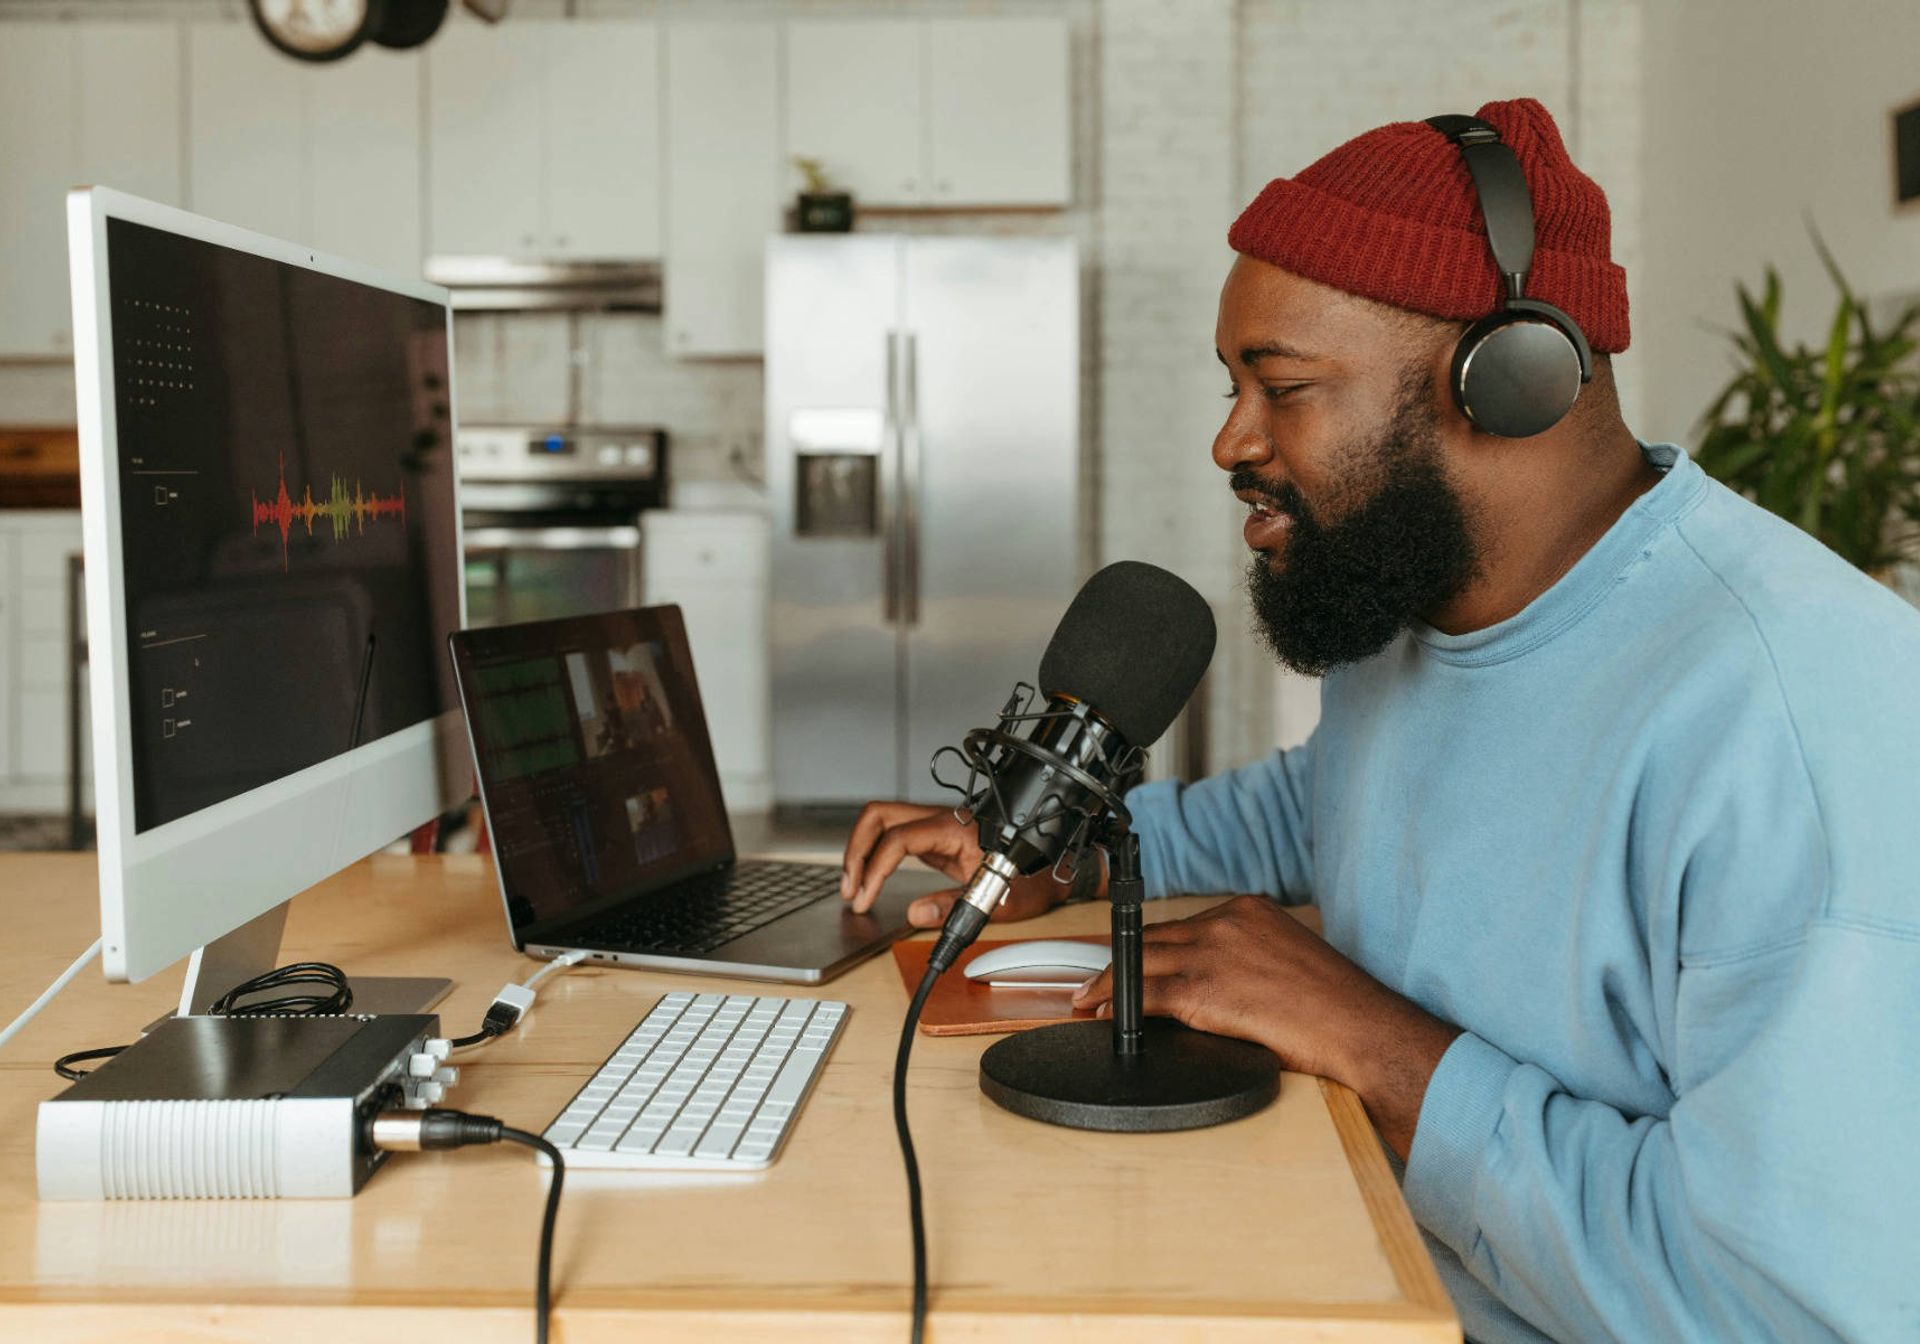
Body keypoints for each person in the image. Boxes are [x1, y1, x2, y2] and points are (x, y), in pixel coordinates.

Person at [838, 98, 1920, 1343]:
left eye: (1282, 387)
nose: (1229, 438)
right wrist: (1071, 849)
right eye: (1233, 383)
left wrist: (1375, 1046)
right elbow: (1329, 797)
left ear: (1511, 381)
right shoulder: (1421, 606)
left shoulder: (1802, 734)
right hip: (1346, 1245)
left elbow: (1783, 1308)